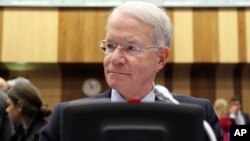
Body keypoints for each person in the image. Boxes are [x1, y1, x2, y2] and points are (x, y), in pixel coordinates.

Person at [40, 1, 222, 141]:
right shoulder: (67, 117)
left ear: (160, 58)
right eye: (110, 46)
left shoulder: (197, 115)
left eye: (131, 48)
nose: (115, 58)